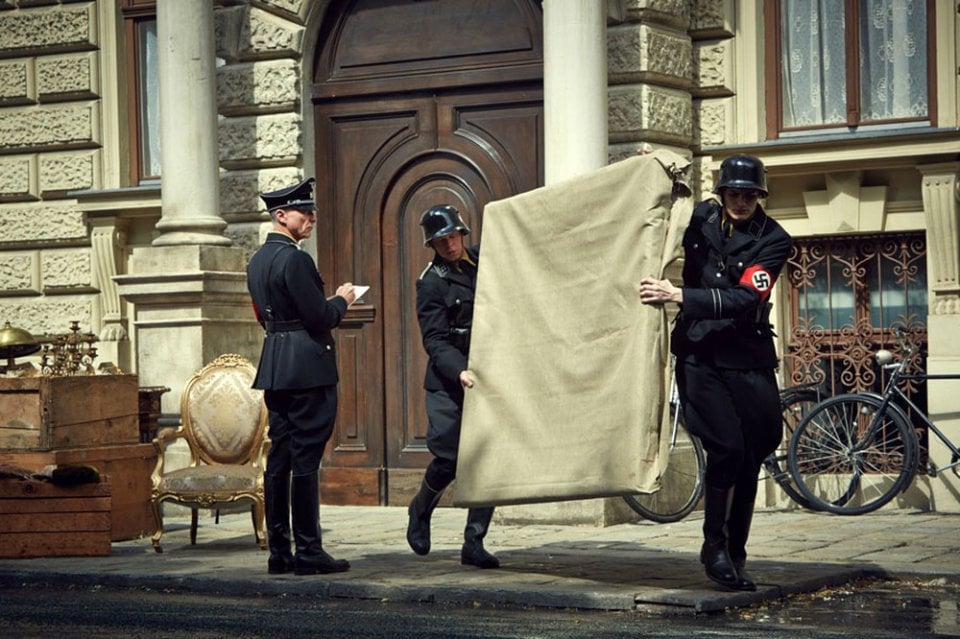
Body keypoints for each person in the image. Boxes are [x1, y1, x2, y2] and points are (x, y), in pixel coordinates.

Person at [638, 154, 792, 591]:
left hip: (748, 357)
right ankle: (715, 549)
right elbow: (658, 210)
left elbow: (746, 298)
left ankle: (736, 552)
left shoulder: (775, 239)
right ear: (721, 193)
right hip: (700, 354)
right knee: (726, 447)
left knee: (756, 448)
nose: (741, 202)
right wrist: (646, 171)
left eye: (749, 195)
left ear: (759, 197)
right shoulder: (702, 216)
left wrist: (679, 294)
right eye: (734, 193)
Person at [247, 177, 357, 576]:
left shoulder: (258, 259)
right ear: (281, 216)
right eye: (304, 212)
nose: (311, 219)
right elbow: (319, 317)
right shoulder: (295, 259)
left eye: (311, 212)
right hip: (307, 368)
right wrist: (342, 300)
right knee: (305, 460)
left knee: (281, 458)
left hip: (275, 365)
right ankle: (309, 551)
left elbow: (262, 316)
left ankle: (280, 550)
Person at [405, 204, 499, 569]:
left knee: (487, 460)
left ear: (463, 233)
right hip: (450, 380)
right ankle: (420, 509)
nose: (449, 245)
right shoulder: (430, 282)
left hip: (488, 375)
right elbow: (435, 340)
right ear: (432, 244)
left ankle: (474, 542)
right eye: (441, 241)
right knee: (450, 457)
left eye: (453, 236)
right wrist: (459, 370)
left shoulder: (482, 260)